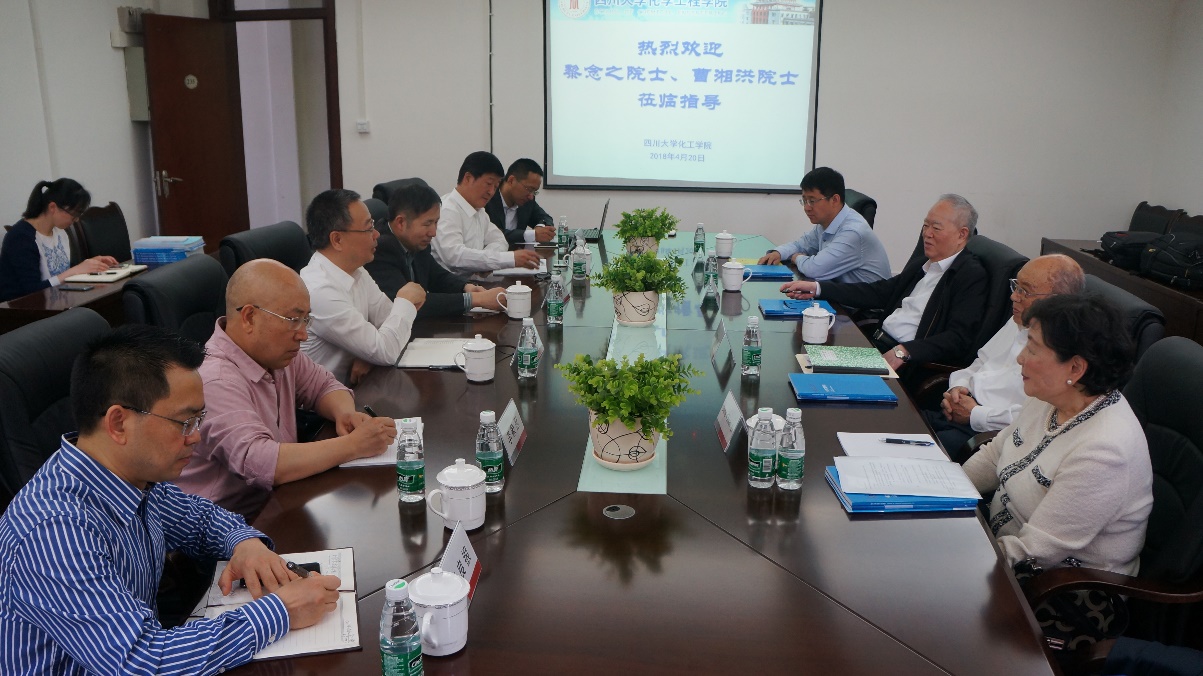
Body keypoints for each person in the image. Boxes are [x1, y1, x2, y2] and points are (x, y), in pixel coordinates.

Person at [0, 324, 342, 674]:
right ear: (118, 423)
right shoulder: (54, 532)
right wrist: (281, 611)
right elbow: (141, 662)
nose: (196, 437)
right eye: (185, 422)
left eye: (200, 419)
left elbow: (199, 519)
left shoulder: (131, 475)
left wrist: (245, 544)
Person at [963, 294, 1152, 650]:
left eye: (1033, 349)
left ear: (1075, 369)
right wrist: (941, 494)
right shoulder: (1049, 397)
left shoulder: (1104, 450)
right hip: (1000, 547)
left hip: (1062, 591)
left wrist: (950, 559)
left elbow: (1034, 551)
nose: (1020, 358)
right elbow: (994, 455)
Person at [175, 259, 397, 517]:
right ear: (249, 317)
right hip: (229, 523)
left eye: (306, 320)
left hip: (279, 501)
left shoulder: (277, 354)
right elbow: (261, 462)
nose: (303, 334)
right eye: (293, 319)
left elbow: (323, 385)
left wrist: (345, 414)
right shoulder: (216, 380)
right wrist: (354, 445)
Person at [780, 194, 988, 372]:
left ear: (962, 234)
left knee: (815, 377)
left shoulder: (970, 275)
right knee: (805, 362)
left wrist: (906, 351)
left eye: (936, 228)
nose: (927, 234)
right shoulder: (923, 264)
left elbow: (958, 338)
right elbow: (879, 292)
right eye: (925, 225)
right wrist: (818, 288)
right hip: (876, 346)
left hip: (905, 364)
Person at [926, 254, 1085, 458]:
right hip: (958, 410)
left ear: (1057, 300)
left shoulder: (1063, 353)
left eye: (1025, 291)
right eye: (1016, 286)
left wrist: (975, 414)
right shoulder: (1019, 319)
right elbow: (981, 361)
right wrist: (957, 389)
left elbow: (1035, 418)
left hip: (986, 435)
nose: (1014, 297)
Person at [300, 189, 427, 385]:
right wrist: (405, 301)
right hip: (322, 400)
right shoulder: (320, 291)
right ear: (337, 240)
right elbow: (386, 350)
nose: (376, 234)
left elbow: (387, 321)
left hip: (357, 387)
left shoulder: (355, 270)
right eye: (368, 228)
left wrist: (369, 356)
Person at [366, 182, 505, 318]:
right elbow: (410, 304)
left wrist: (466, 287)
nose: (433, 232)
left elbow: (437, 276)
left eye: (436, 222)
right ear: (401, 222)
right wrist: (476, 300)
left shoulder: (415, 240)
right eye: (427, 224)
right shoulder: (379, 249)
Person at [757, 167, 891, 284]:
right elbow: (800, 245)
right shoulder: (826, 223)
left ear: (835, 200)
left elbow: (814, 269)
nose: (806, 208)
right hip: (841, 293)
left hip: (865, 304)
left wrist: (797, 258)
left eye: (812, 201)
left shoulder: (853, 232)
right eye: (804, 200)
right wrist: (778, 253)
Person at [0, 178, 119, 302]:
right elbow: (32, 291)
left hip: (59, 302)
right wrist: (76, 270)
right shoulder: (21, 238)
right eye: (74, 214)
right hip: (25, 308)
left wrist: (90, 265)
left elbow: (63, 271)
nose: (76, 220)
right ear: (53, 207)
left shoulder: (60, 232)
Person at [431, 151, 542, 275]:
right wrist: (506, 259)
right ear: (468, 178)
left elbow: (500, 240)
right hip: (447, 285)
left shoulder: (479, 212)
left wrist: (484, 264)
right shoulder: (447, 210)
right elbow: (455, 257)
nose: (491, 192)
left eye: (495, 186)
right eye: (489, 184)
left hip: (471, 282)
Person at [485, 158, 555, 245]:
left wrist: (541, 228)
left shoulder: (527, 201)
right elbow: (491, 234)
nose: (531, 196)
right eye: (529, 189)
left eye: (534, 192)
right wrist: (531, 235)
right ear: (511, 180)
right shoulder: (487, 198)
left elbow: (545, 218)